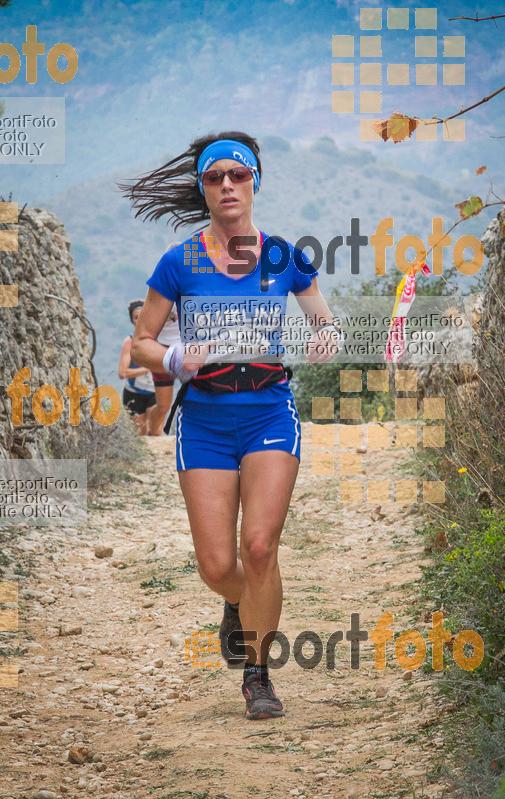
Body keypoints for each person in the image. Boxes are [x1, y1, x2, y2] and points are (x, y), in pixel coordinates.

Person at [119, 132, 343, 719]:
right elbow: (142, 342)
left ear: (254, 182)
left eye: (237, 175)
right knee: (219, 567)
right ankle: (239, 605)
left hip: (269, 408)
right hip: (206, 419)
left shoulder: (286, 257)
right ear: (203, 188)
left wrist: (324, 335)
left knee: (260, 547)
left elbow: (324, 320)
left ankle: (258, 676)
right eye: (214, 177)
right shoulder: (179, 263)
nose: (226, 185)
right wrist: (174, 360)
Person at [118, 300, 156, 436]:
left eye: (142, 315)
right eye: (136, 317)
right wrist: (146, 369)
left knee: (156, 431)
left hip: (155, 390)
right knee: (141, 437)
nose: (140, 320)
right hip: (133, 392)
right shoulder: (129, 342)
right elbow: (122, 372)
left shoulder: (159, 337)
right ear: (132, 321)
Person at [149, 304, 181, 436]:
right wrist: (174, 315)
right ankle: (154, 435)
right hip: (163, 350)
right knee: (163, 407)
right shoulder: (161, 289)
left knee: (197, 397)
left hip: (190, 347)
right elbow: (151, 316)